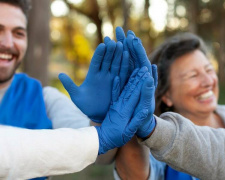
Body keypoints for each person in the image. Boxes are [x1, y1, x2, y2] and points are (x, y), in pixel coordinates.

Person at [0, 66, 156, 179]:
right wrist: (99, 139)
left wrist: (99, 121)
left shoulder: (43, 98)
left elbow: (100, 157)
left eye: (18, 33)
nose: (8, 42)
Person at [114, 32, 225, 180]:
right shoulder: (153, 150)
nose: (207, 81)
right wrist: (131, 111)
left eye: (209, 70)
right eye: (193, 75)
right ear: (167, 95)